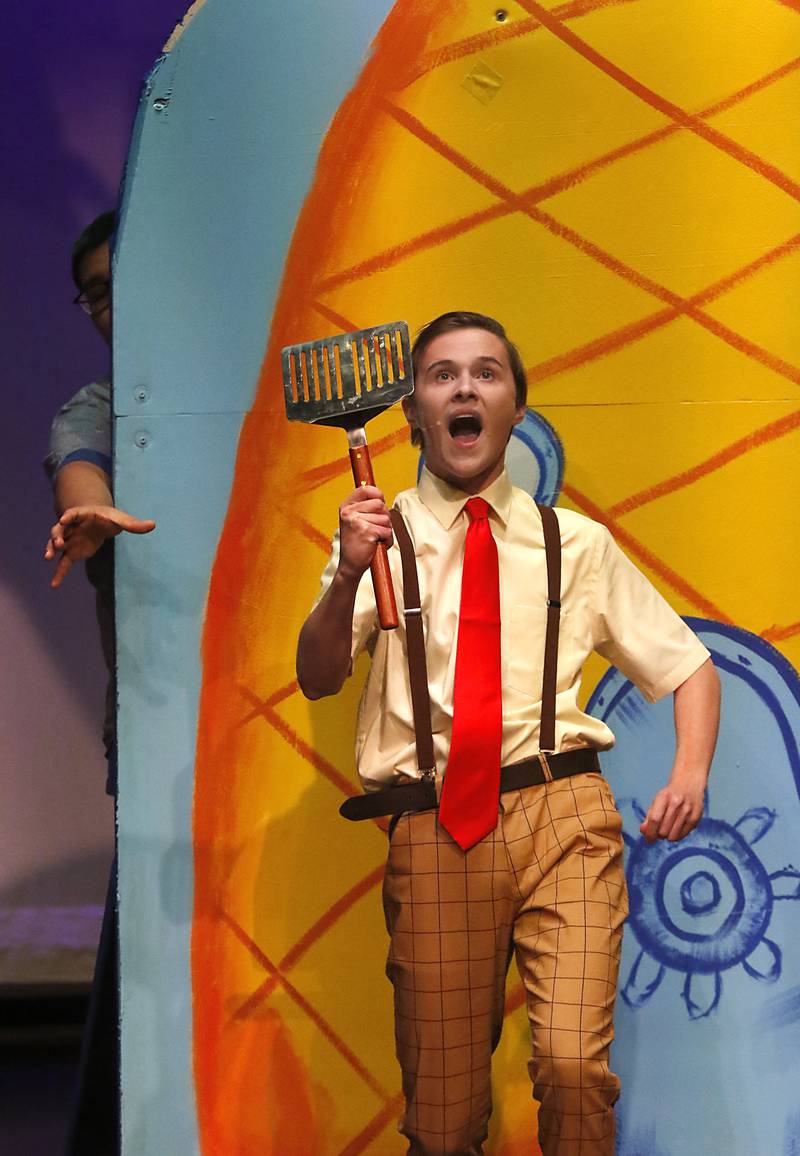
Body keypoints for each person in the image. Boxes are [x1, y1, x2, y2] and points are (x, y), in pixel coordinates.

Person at [296, 311, 720, 1156]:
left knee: (572, 1068)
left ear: (516, 407)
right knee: (446, 1120)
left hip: (563, 812)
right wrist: (348, 572)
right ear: (412, 408)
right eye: (443, 374)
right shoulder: (382, 539)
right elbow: (317, 674)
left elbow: (688, 667)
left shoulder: (576, 543)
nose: (464, 387)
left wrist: (691, 774)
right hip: (436, 826)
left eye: (486, 373)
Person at [43, 211, 155, 1155]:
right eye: (98, 293)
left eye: (130, 276)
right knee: (148, 976)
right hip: (159, 724)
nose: (115, 305)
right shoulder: (96, 408)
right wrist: (88, 515)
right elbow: (80, 473)